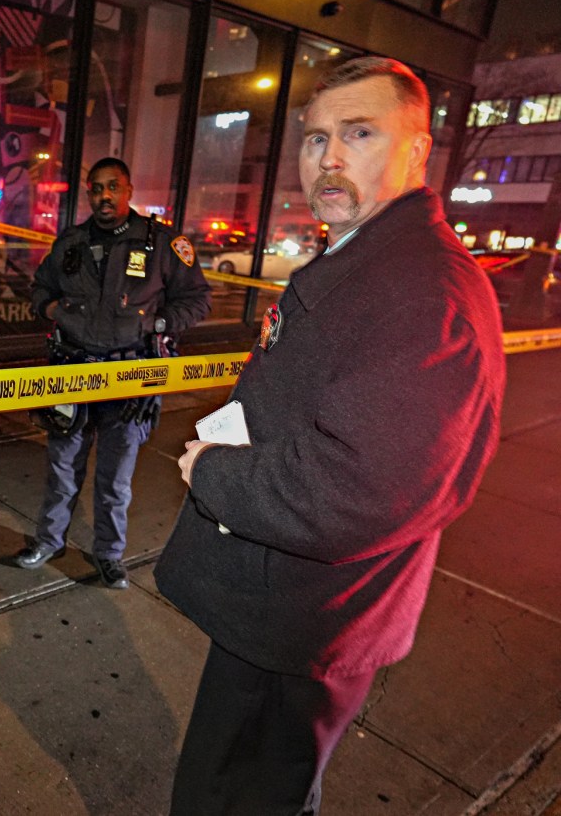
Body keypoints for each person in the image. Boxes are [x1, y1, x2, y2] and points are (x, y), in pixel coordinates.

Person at [153, 56, 506, 814]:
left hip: (308, 621)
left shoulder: (422, 292)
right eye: (316, 140)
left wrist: (211, 470)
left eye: (360, 133)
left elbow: (358, 489)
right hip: (285, 607)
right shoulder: (371, 256)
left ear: (417, 150)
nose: (331, 160)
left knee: (240, 797)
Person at [17, 157, 211, 588]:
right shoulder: (71, 243)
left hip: (131, 377)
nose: (104, 196)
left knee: (115, 478)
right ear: (89, 194)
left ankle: (109, 555)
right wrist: (53, 310)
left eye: (113, 187)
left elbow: (197, 299)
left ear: (128, 190)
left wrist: (157, 324)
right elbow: (40, 288)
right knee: (62, 469)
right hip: (73, 371)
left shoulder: (162, 243)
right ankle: (49, 541)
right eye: (95, 189)